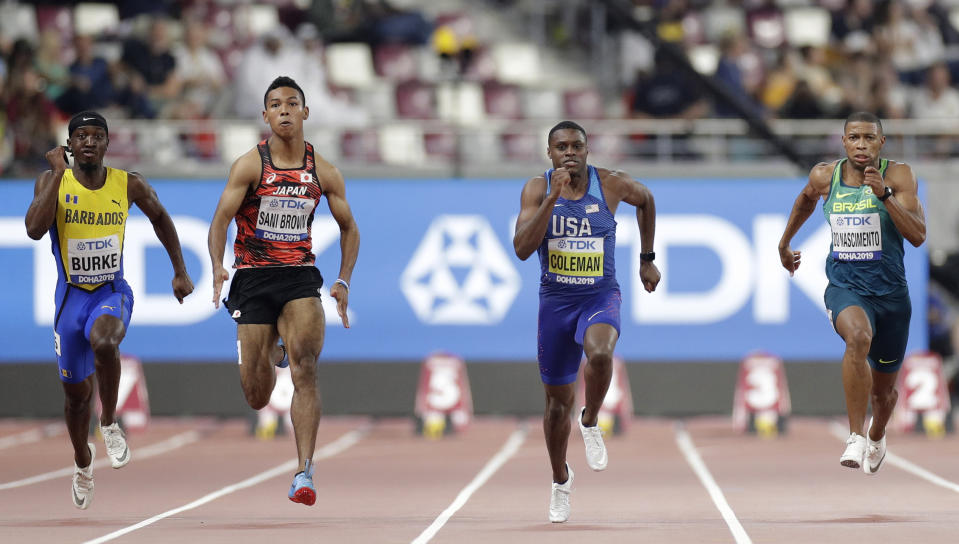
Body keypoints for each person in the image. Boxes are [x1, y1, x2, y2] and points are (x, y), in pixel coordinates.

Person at [23, 111, 194, 509]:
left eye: (96, 136)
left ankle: (110, 422)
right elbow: (33, 228)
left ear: (106, 143)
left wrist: (180, 272)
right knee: (75, 397)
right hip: (70, 299)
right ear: (69, 144)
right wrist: (55, 175)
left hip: (110, 290)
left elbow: (161, 217)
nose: (88, 142)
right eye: (80, 136)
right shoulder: (52, 182)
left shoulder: (127, 184)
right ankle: (83, 462)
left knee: (106, 340)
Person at [207, 76, 359, 506]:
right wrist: (218, 266)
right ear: (266, 115)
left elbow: (350, 228)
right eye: (276, 105)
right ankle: (272, 347)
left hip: (298, 276)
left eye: (293, 103)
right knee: (257, 397)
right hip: (253, 278)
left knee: (306, 365)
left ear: (306, 112)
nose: (285, 110)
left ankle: (304, 472)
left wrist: (343, 279)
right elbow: (220, 221)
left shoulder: (323, 171)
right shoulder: (250, 165)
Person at [512, 120, 660, 523]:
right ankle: (561, 479)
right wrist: (552, 198)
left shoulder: (610, 184)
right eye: (561, 147)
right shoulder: (536, 188)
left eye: (577, 145)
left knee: (599, 353)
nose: (570, 153)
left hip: (599, 295)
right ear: (550, 153)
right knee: (556, 405)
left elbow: (646, 200)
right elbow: (523, 249)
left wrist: (647, 259)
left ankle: (591, 418)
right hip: (555, 304)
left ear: (587, 149)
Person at [778, 111, 926, 474]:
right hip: (846, 286)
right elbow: (805, 200)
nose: (862, 145)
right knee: (858, 338)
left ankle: (876, 433)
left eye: (869, 138)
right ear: (844, 142)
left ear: (881, 143)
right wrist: (785, 243)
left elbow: (919, 236)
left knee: (884, 393)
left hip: (891, 296)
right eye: (855, 138)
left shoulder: (899, 175)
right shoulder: (825, 175)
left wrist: (885, 196)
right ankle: (856, 435)